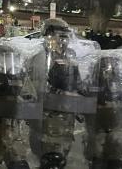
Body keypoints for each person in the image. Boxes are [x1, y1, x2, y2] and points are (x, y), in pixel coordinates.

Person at [34, 18, 98, 168]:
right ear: (48, 34)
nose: (64, 39)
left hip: (67, 114)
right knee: (51, 157)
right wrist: (64, 93)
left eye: (65, 35)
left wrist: (86, 95)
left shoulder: (70, 54)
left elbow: (77, 82)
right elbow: (37, 86)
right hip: (50, 116)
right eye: (60, 35)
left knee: (63, 155)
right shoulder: (41, 55)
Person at [0, 40, 45, 169]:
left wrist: (20, 100)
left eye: (9, 56)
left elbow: (31, 97)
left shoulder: (20, 76)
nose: (5, 60)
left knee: (18, 164)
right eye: (2, 56)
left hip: (15, 129)